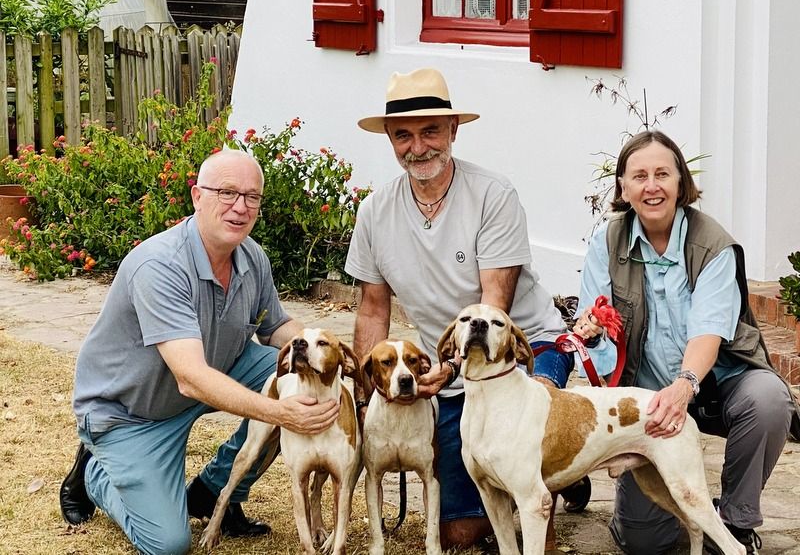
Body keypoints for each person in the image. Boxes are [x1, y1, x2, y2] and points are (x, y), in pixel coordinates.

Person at [345, 67, 587, 549]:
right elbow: (373, 311)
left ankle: (553, 464)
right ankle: (560, 466)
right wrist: (366, 389)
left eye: (431, 130)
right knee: (458, 534)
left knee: (522, 473)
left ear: (453, 130)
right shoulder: (375, 212)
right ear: (391, 140)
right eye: (404, 135)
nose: (419, 147)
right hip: (452, 368)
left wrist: (450, 367)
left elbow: (491, 311)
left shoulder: (493, 195)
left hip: (524, 348)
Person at [59, 149, 340, 555]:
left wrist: (329, 357)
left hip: (217, 370)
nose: (240, 207)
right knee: (169, 544)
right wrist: (281, 412)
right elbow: (190, 377)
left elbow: (276, 327)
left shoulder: (251, 256)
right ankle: (95, 475)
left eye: (252, 197)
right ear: (197, 196)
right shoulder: (159, 265)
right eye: (227, 193)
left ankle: (214, 493)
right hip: (133, 413)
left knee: (303, 384)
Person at [573, 130, 799, 555]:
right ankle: (676, 517)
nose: (651, 185)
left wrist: (684, 386)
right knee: (646, 543)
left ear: (681, 183)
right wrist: (594, 333)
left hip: (717, 386)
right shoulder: (607, 241)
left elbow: (707, 333)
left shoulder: (713, 244)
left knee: (769, 399)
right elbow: (597, 327)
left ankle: (734, 521)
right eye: (639, 175)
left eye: (663, 173)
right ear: (623, 186)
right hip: (648, 398)